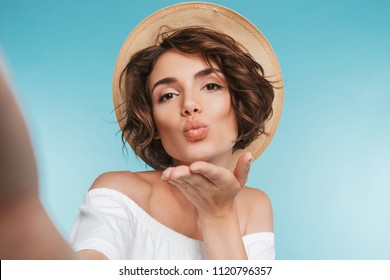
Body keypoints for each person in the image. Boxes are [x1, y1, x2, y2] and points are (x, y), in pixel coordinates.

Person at [68, 3, 283, 260]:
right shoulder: (119, 193)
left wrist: (218, 214)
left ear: (240, 105)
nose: (189, 105)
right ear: (154, 124)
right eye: (168, 95)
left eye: (211, 86)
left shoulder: (254, 206)